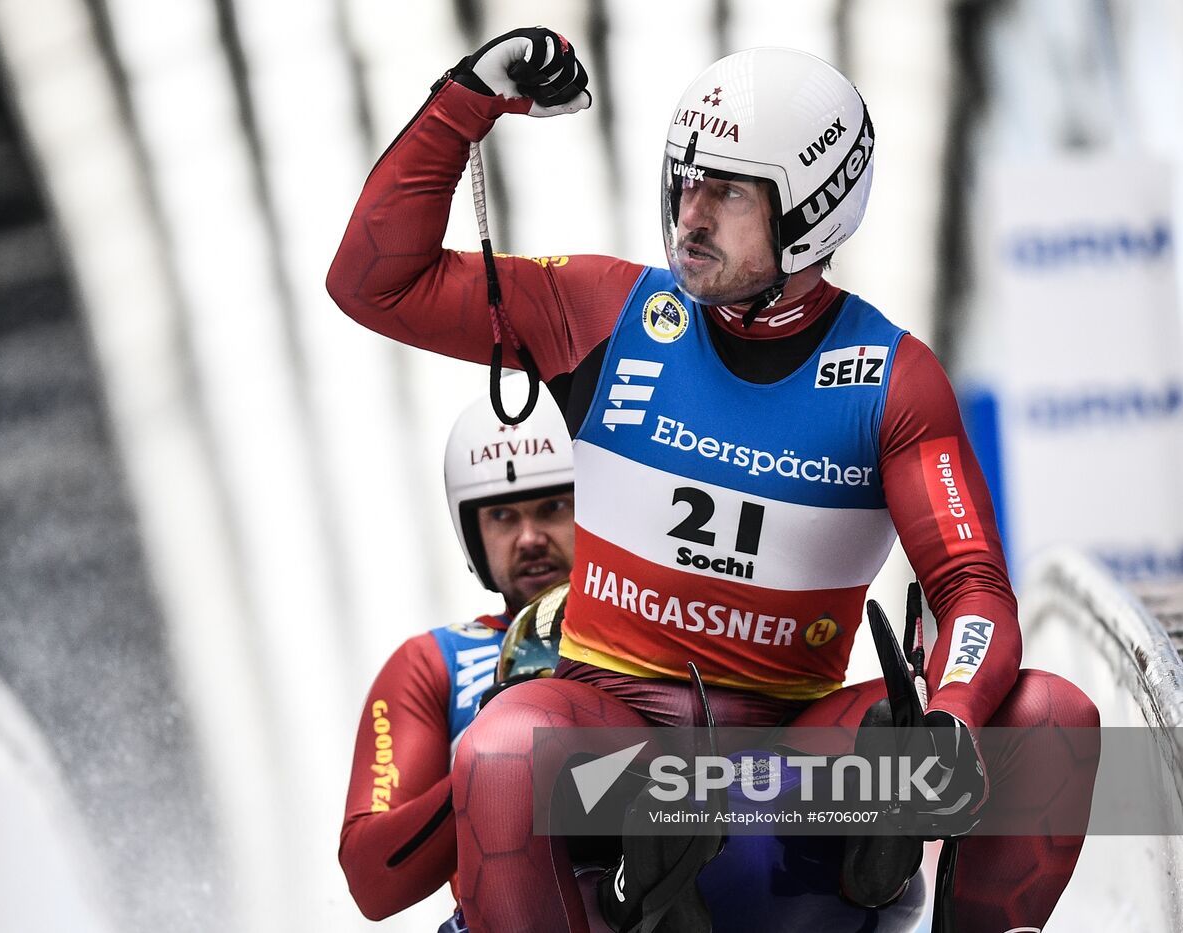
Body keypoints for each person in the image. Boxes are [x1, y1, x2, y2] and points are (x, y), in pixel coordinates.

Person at [328, 30, 1098, 933]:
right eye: (685, 180)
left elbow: (970, 588)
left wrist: (954, 717)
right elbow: (375, 283)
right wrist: (463, 106)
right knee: (501, 750)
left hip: (789, 755)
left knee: (1052, 718)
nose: (690, 214)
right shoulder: (604, 311)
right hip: (620, 742)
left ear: (812, 208)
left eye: (726, 191)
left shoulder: (893, 378)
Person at [339, 377, 575, 922]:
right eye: (502, 516)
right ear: (472, 535)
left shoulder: (665, 623)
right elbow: (372, 881)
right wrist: (494, 768)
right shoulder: (430, 663)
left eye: (553, 506)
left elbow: (798, 791)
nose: (530, 537)